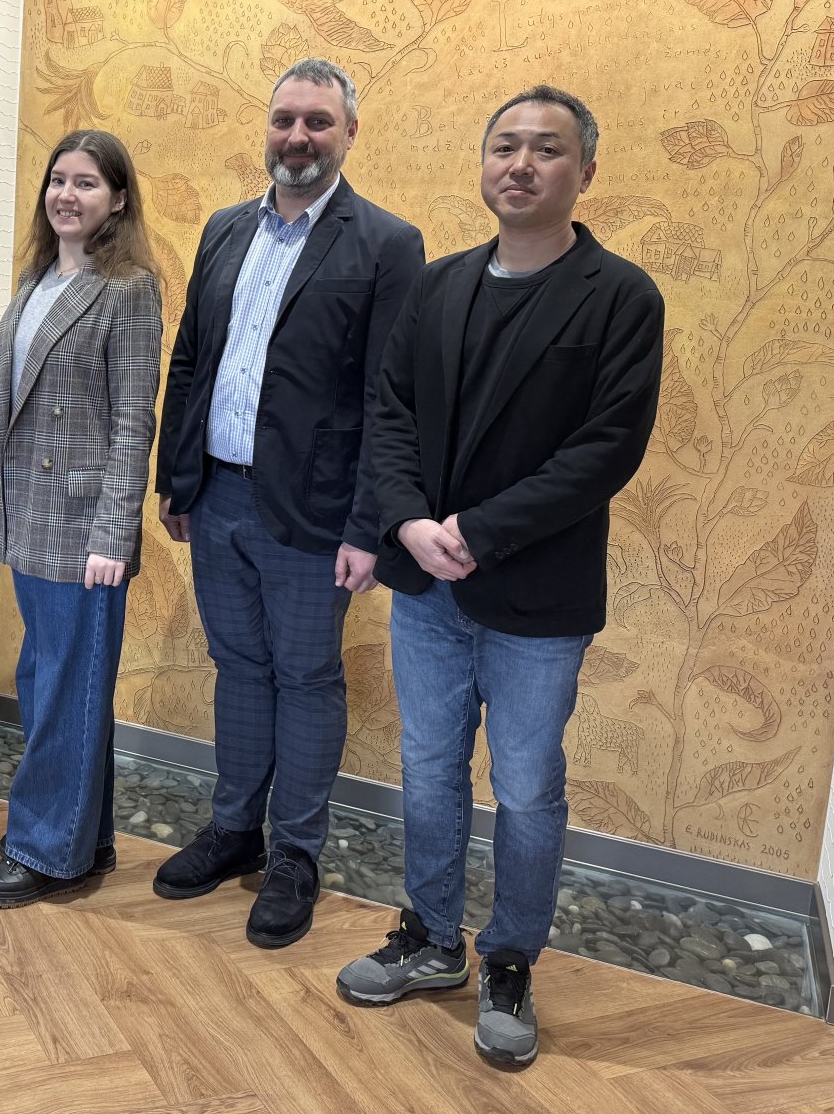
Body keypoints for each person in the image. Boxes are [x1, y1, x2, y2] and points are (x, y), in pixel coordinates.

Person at [337, 85, 664, 1070]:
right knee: (429, 769)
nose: (520, 164)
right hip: (427, 590)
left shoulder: (621, 297)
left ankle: (511, 958)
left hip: (537, 599)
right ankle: (433, 937)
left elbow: (605, 450)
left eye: (547, 149)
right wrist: (406, 520)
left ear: (585, 172)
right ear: (483, 164)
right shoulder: (438, 285)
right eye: (504, 146)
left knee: (525, 786)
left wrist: (477, 531)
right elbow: (390, 413)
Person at [151, 58, 424, 948]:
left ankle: (296, 853)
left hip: (315, 516)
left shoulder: (387, 243)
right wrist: (176, 476)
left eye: (317, 121)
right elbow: (191, 359)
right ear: (266, 127)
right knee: (239, 668)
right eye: (284, 119)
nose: (297, 137)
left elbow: (392, 398)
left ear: (349, 133)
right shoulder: (225, 229)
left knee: (306, 679)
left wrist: (370, 528)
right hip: (217, 499)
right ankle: (235, 829)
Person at [0, 129, 162, 909]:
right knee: (53, 680)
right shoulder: (37, 278)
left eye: (86, 183)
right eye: (58, 180)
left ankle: (46, 849)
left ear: (117, 199)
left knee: (61, 689)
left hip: (84, 528)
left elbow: (133, 422)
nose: (66, 195)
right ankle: (86, 837)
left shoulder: (129, 288)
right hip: (31, 515)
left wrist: (113, 534)